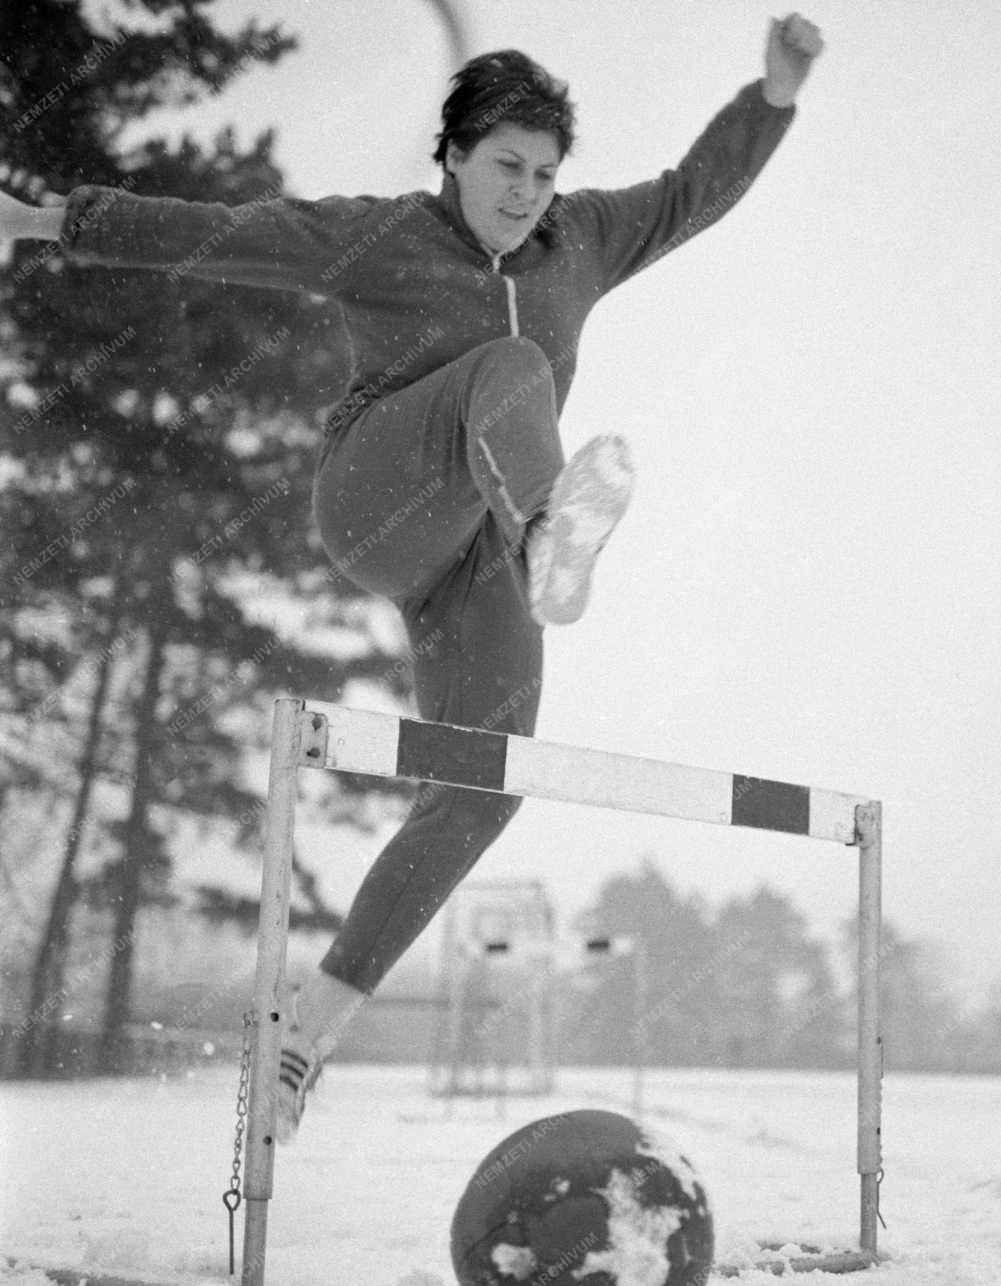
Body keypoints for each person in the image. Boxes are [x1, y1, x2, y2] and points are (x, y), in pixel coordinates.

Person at [2, 13, 823, 1139]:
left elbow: (691, 192)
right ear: (453, 155)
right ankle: (551, 526)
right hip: (375, 495)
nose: (528, 192)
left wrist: (770, 98)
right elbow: (222, 231)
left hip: (469, 563)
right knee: (510, 364)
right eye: (506, 167)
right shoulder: (382, 237)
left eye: (543, 173)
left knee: (483, 785)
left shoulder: (581, 239)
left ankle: (303, 1036)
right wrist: (56, 220)